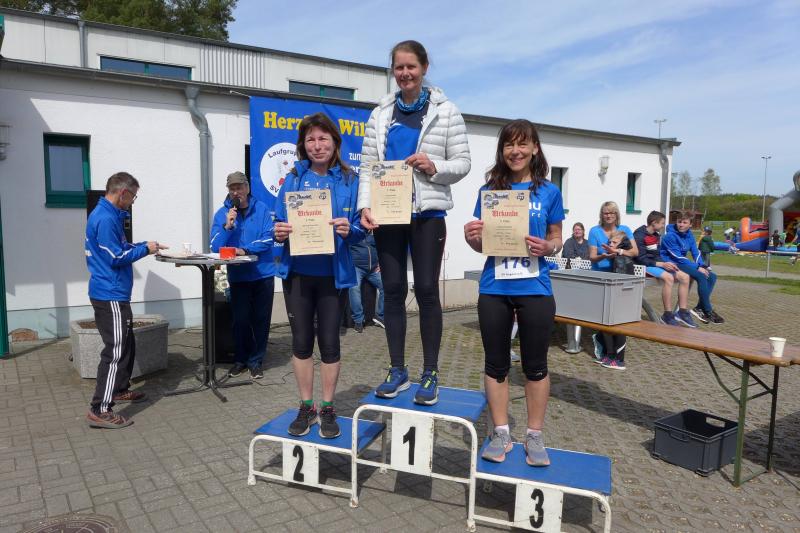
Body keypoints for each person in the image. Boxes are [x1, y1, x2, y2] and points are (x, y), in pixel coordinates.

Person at [358, 40, 471, 405]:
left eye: (411, 66)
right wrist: (364, 206)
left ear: (424, 68)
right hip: (388, 214)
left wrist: (434, 166)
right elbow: (367, 167)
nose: (405, 73)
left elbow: (463, 162)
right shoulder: (380, 113)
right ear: (393, 71)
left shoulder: (446, 111)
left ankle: (431, 372)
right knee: (392, 290)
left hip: (427, 215)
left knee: (425, 290)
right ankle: (397, 369)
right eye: (399, 67)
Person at [464, 119, 563, 466]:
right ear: (502, 150)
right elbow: (482, 244)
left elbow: (557, 238)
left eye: (523, 144)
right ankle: (501, 431)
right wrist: (471, 238)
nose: (516, 151)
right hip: (495, 287)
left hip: (535, 287)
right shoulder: (489, 192)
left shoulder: (549, 191)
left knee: (536, 365)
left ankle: (534, 435)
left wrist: (548, 246)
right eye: (509, 145)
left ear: (535, 148)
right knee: (496, 364)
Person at [273, 113, 365, 438]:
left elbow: (361, 228)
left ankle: (327, 407)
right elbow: (277, 222)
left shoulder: (350, 180)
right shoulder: (293, 178)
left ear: (335, 142)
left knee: (329, 343)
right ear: (303, 145)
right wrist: (278, 232)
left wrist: (350, 229)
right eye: (310, 139)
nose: (317, 145)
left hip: (332, 275)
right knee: (301, 343)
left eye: (323, 138)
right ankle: (306, 405)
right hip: (298, 274)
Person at [85, 172, 167, 429]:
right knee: (115, 350)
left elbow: (119, 248)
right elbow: (115, 258)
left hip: (115, 292)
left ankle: (119, 388)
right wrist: (144, 250)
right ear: (123, 193)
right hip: (109, 294)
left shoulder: (110, 215)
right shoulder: (105, 218)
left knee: (126, 343)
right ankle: (100, 409)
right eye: (133, 197)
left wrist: (145, 244)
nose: (132, 202)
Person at [210, 171, 275, 380]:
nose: (236, 192)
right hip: (239, 276)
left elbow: (268, 239)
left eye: (239, 187)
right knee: (240, 320)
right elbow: (215, 246)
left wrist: (245, 250)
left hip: (263, 274)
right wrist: (227, 226)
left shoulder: (262, 209)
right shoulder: (222, 213)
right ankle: (240, 360)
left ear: (247, 188)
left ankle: (256, 361)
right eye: (232, 188)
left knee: (261, 320)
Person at [587, 201, 639, 370]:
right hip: (601, 278)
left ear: (617, 215)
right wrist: (604, 256)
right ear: (601, 215)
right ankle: (608, 353)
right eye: (605, 212)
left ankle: (619, 357)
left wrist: (618, 252)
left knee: (619, 319)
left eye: (612, 212)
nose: (608, 215)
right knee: (604, 319)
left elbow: (635, 252)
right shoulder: (594, 231)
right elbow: (592, 257)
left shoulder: (625, 230)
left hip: (620, 279)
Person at [661, 210, 725, 324]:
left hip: (683, 262)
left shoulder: (689, 235)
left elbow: (696, 252)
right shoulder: (669, 236)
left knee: (712, 276)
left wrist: (702, 265)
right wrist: (697, 268)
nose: (681, 225)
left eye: (684, 222)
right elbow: (677, 257)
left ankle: (699, 308)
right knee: (701, 276)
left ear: (690, 224)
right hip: (672, 263)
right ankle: (708, 311)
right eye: (679, 222)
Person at [633, 211, 695, 327]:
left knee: (685, 276)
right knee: (669, 278)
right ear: (654, 223)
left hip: (656, 264)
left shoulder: (656, 235)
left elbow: (657, 254)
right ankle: (667, 314)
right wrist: (661, 264)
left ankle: (682, 312)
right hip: (643, 267)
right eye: (661, 223)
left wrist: (666, 263)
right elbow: (640, 258)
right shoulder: (639, 235)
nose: (663, 226)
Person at [348, 231, 385, 332]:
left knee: (386, 286)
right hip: (357, 268)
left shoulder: (373, 235)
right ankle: (358, 320)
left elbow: (380, 249)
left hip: (373, 269)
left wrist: (381, 263)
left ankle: (380, 316)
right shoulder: (352, 234)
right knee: (354, 288)